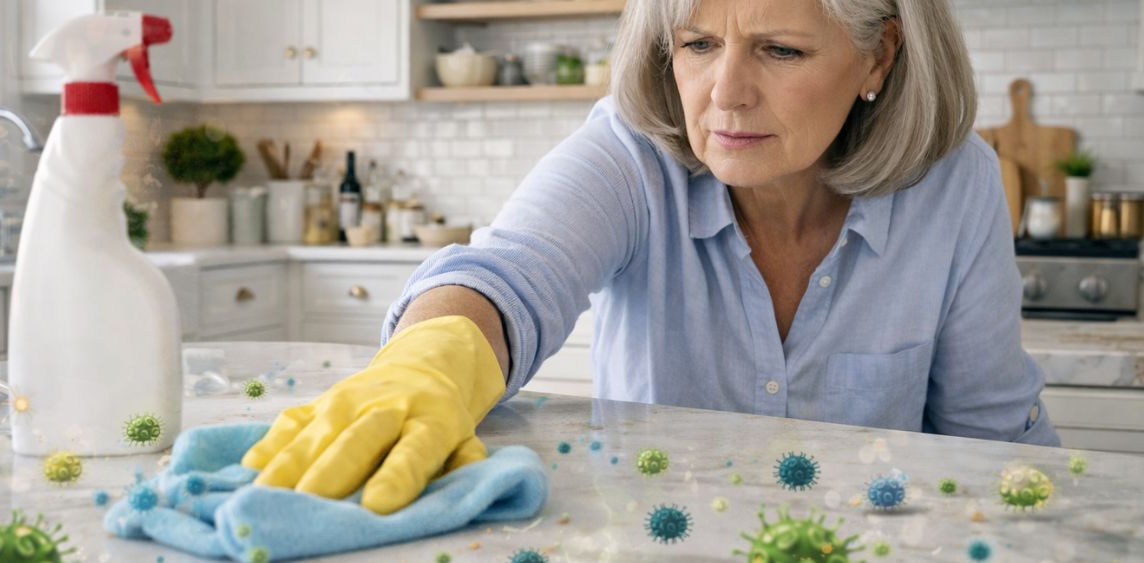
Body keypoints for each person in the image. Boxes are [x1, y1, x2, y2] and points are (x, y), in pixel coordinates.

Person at [240, 0, 1061, 515]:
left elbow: (993, 441)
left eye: (780, 50)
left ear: (878, 57)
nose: (725, 92)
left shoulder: (955, 184)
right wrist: (433, 358)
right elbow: (508, 274)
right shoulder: (635, 153)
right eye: (698, 44)